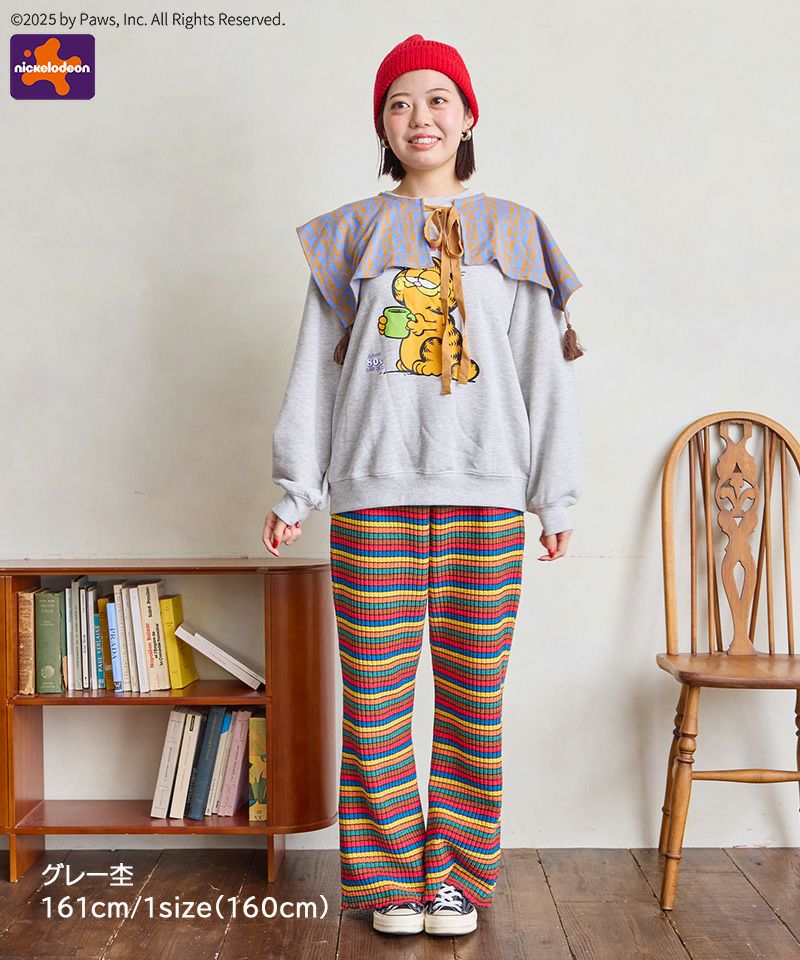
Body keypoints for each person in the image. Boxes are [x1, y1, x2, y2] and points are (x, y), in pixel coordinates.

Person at [262, 33, 585, 938]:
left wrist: (554, 496)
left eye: (438, 98)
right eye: (400, 103)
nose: (421, 117)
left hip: (487, 494)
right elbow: (315, 372)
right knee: (374, 703)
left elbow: (543, 372)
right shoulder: (349, 235)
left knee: (474, 699)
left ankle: (457, 881)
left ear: (468, 116)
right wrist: (296, 488)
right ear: (383, 125)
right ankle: (389, 885)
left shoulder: (515, 231)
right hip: (373, 493)